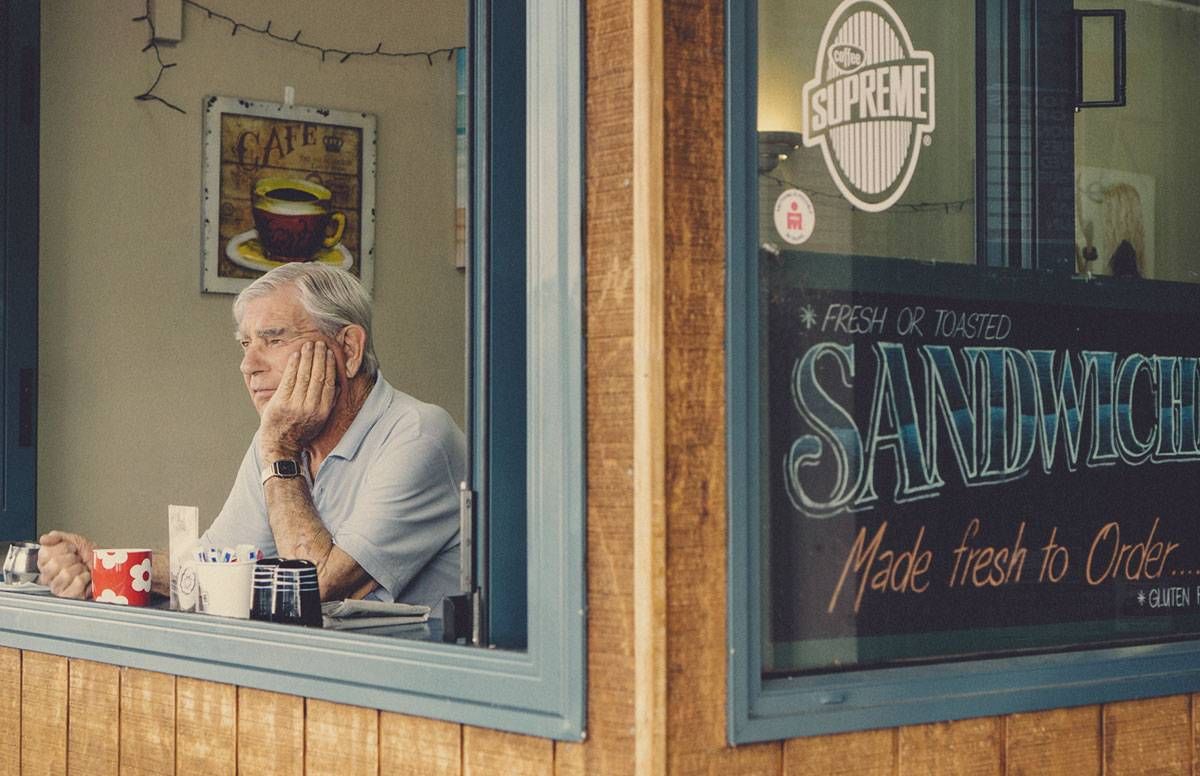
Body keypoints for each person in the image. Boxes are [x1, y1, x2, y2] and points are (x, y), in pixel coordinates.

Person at [38, 263, 466, 610]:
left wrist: (279, 450)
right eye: (245, 345)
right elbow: (214, 566)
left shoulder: (419, 434)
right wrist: (102, 564)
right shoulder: (283, 436)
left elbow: (315, 589)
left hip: (421, 696)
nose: (249, 365)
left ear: (349, 350)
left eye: (274, 340)